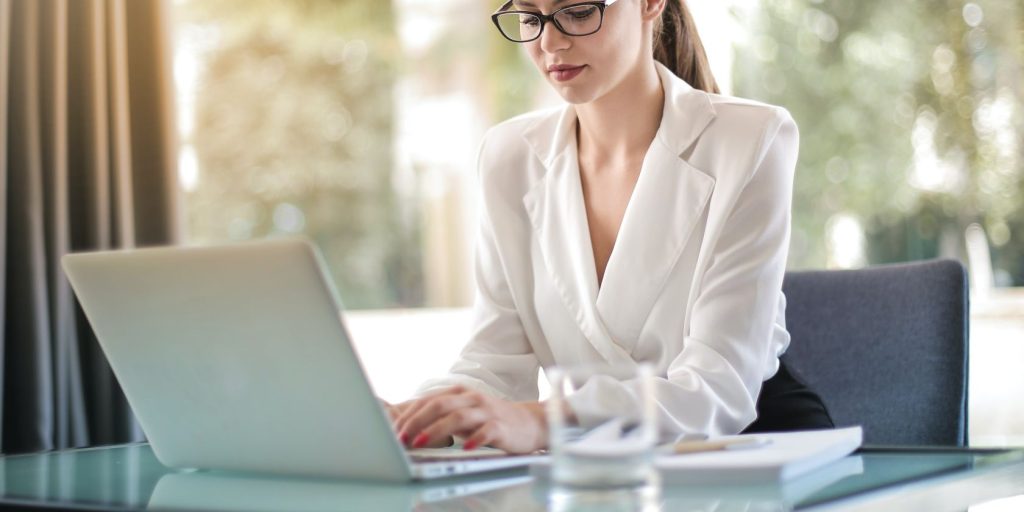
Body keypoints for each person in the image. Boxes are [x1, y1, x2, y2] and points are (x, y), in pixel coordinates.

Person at [390, 0, 834, 454]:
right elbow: (493, 364)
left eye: (578, 12)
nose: (549, 43)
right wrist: (413, 418)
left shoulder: (752, 138)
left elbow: (718, 386)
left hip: (752, 448)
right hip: (604, 464)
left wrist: (548, 422)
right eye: (529, 17)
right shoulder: (508, 157)